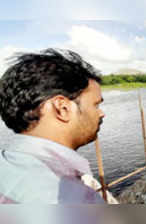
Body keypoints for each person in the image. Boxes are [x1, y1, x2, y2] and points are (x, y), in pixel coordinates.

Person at [0, 48, 117, 204]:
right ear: (62, 108)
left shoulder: (8, 163)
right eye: (96, 105)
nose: (101, 113)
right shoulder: (70, 198)